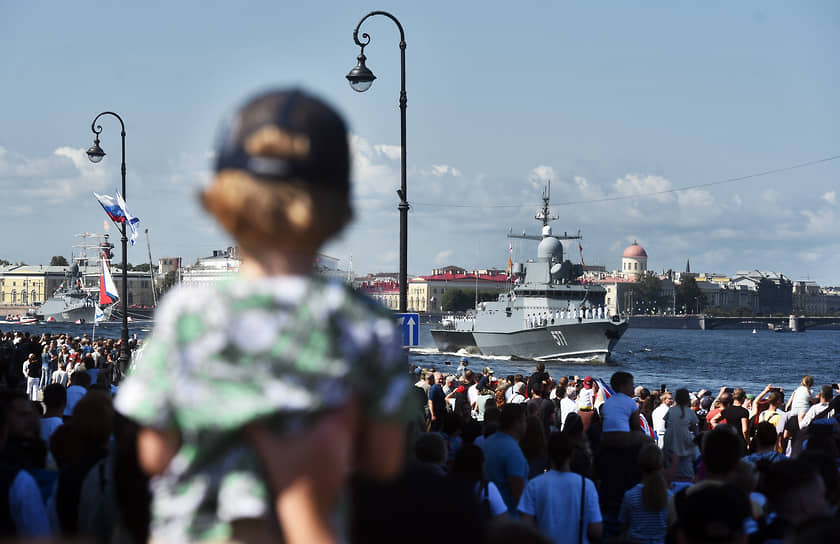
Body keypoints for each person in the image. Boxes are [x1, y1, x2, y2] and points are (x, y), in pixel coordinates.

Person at [114, 88, 414, 544]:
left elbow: (154, 452)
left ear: (224, 201)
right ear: (337, 208)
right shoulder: (364, 323)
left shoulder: (188, 312)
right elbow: (385, 460)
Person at [518, 432, 603, 544]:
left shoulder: (534, 485)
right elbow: (596, 530)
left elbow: (526, 527)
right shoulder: (586, 485)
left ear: (548, 454)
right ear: (571, 454)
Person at [482, 404, 529, 515]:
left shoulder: (487, 442)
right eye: (524, 421)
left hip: (490, 514)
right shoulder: (512, 451)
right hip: (509, 517)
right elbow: (518, 493)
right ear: (517, 423)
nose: (526, 425)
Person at [618, 444, 669, 544]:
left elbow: (623, 525)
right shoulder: (669, 496)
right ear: (661, 466)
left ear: (640, 466)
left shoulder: (630, 496)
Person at [662, 388, 698, 481]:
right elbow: (695, 428)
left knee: (669, 458)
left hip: (670, 436)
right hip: (684, 436)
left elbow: (665, 424)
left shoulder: (671, 410)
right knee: (686, 459)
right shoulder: (690, 411)